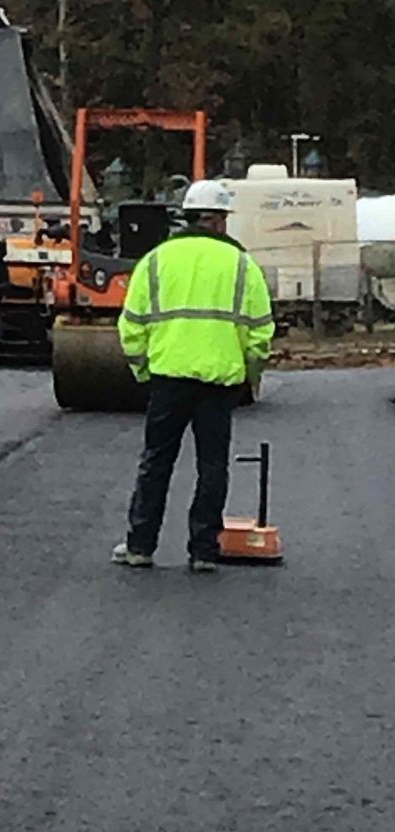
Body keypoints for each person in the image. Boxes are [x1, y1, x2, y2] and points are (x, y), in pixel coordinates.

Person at [112, 180, 275, 573]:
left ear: (186, 217)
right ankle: (203, 551)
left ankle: (140, 546)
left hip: (168, 377)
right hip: (219, 383)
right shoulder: (241, 265)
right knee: (213, 466)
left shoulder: (155, 260)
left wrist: (143, 370)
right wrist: (250, 376)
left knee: (156, 462)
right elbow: (260, 333)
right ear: (220, 221)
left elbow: (131, 326)